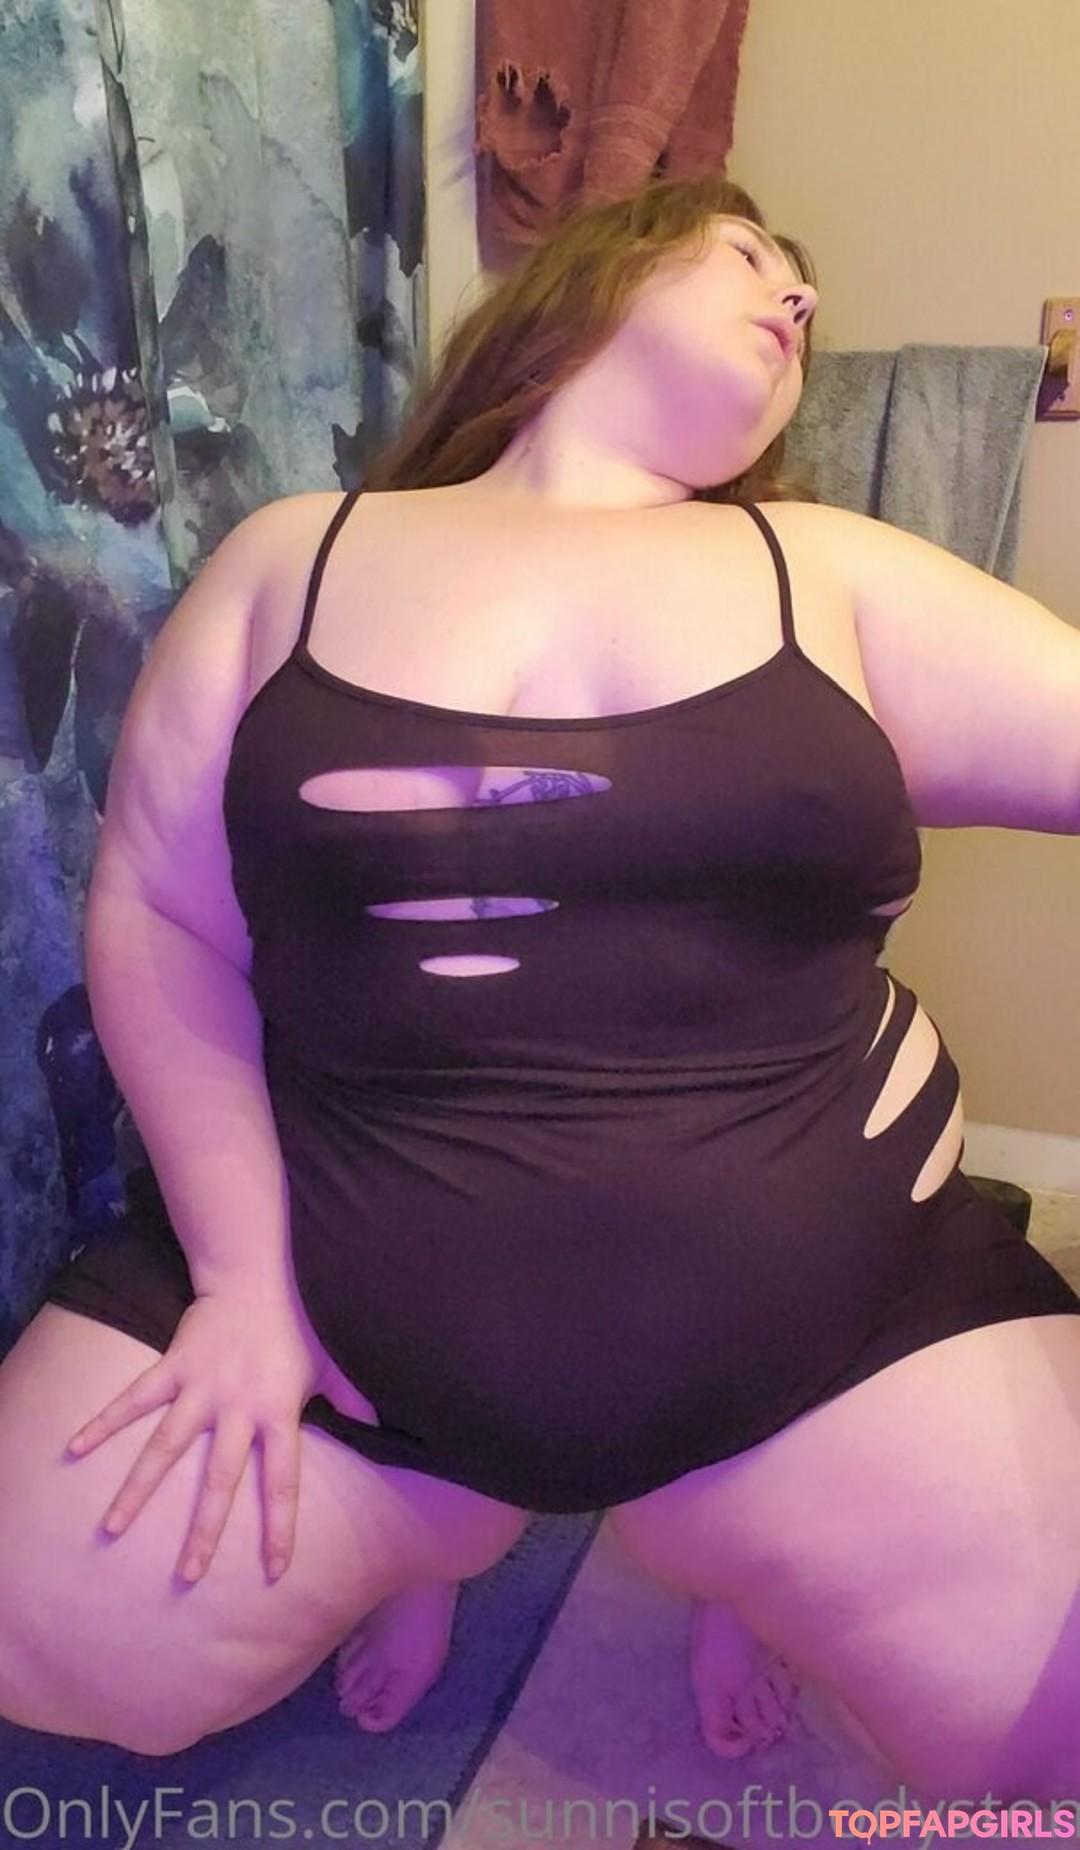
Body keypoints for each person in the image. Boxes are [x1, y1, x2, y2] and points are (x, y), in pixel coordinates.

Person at [0, 171, 1078, 1805]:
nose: (796, 298)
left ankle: (738, 1565)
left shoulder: (830, 565)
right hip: (340, 1335)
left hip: (832, 1343)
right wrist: (238, 1279)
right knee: (36, 1625)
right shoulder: (297, 556)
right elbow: (158, 913)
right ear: (588, 283)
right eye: (747, 255)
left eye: (805, 292)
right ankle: (435, 1537)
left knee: (1055, 1753)